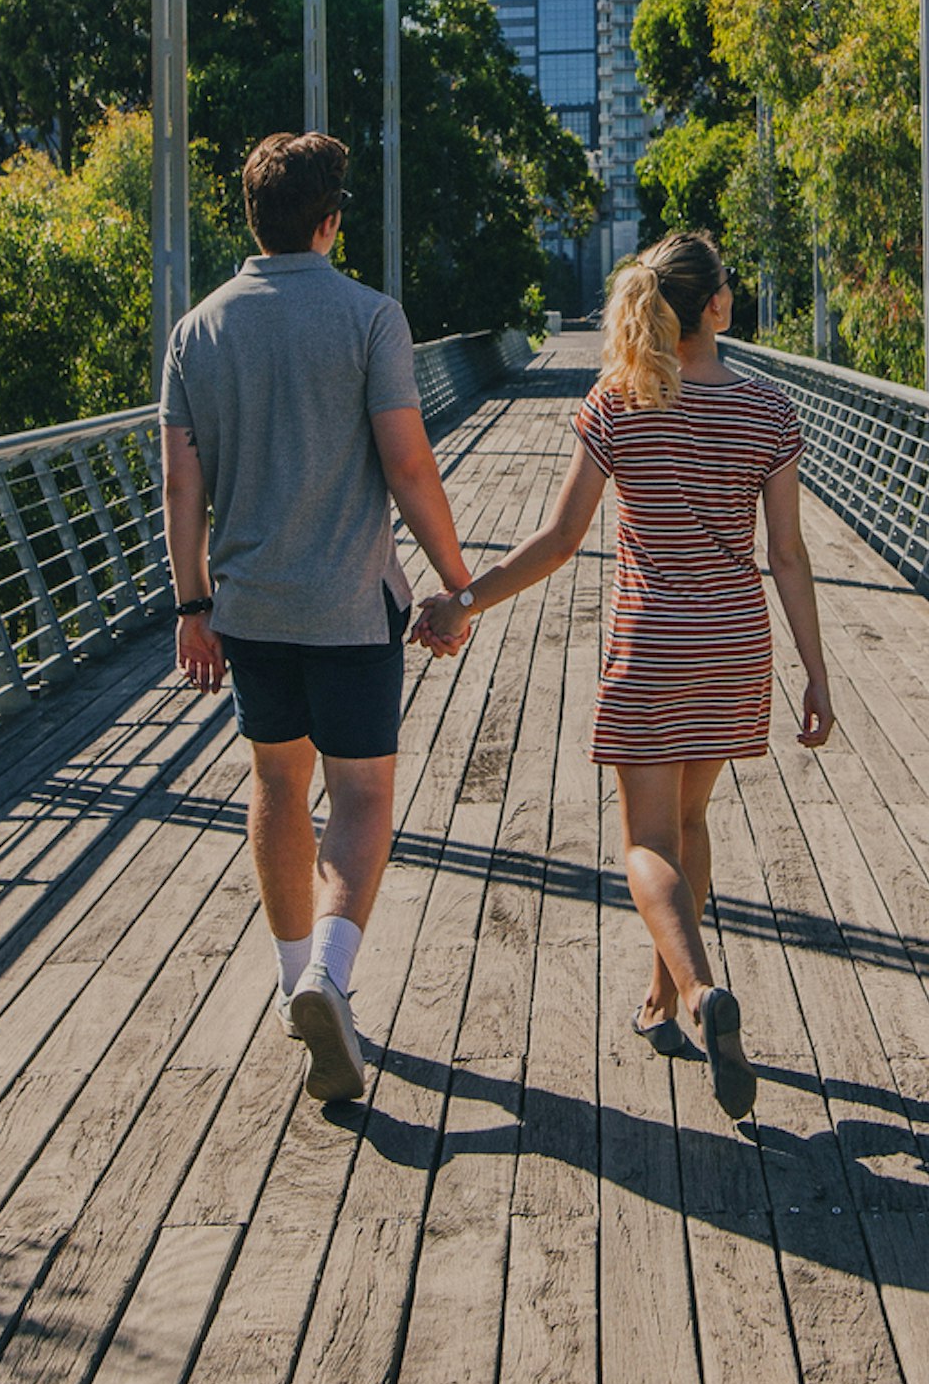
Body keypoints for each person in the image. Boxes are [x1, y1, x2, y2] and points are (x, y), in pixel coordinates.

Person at [414, 230, 833, 1122]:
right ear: (716, 306)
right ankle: (663, 1000)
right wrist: (816, 675)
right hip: (733, 644)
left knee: (645, 844)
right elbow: (788, 557)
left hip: (651, 645)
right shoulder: (770, 414)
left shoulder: (619, 403)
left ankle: (695, 992)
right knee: (689, 823)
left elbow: (560, 541)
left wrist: (463, 600)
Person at [163, 132, 480, 1105]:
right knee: (364, 797)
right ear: (332, 221)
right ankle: (328, 977)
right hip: (349, 605)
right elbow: (410, 465)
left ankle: (290, 973)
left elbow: (181, 483)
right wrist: (457, 582)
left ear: (250, 218)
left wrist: (190, 602)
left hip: (248, 608)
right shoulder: (370, 318)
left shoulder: (199, 330)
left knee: (275, 781)